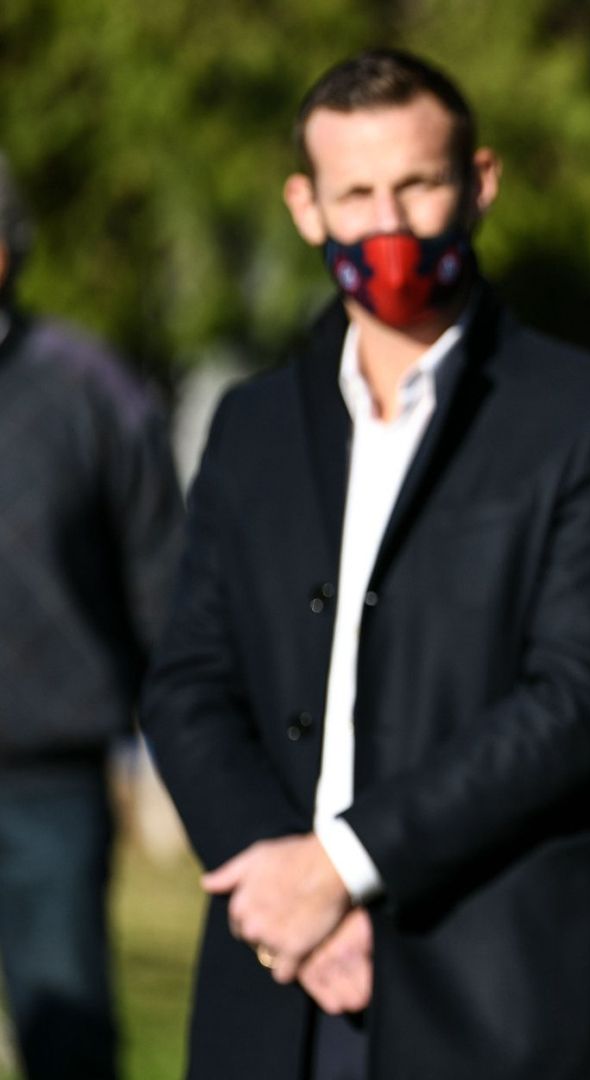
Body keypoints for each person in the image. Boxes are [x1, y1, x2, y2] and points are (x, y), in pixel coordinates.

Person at [141, 49, 590, 1079]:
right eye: (355, 193)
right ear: (307, 208)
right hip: (277, 985)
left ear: (478, 184)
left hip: (498, 993)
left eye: (417, 184)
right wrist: (283, 887)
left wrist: (341, 866)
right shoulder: (250, 424)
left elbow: (577, 700)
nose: (387, 225)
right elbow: (187, 683)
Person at [0, 152, 182, 1080]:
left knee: (66, 1035)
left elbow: (164, 582)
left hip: (48, 779)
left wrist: (193, 754)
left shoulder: (87, 388)